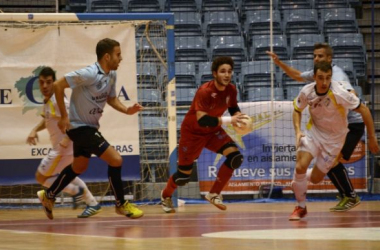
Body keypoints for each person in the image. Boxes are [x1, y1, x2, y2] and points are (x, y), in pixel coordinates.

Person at [36, 38, 144, 220]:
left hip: (89, 127)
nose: (121, 58)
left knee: (79, 166)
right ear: (107, 56)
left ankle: (49, 195)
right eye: (118, 55)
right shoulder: (89, 73)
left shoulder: (111, 75)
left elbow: (111, 99)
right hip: (79, 128)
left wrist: (127, 110)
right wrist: (64, 117)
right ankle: (121, 205)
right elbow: (58, 85)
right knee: (116, 160)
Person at [267, 43, 379, 212]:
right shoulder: (317, 74)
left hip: (350, 123)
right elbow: (297, 76)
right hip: (322, 128)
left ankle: (349, 195)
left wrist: (371, 136)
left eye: (320, 56)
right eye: (314, 56)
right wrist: (280, 63)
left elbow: (353, 98)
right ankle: (342, 194)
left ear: (329, 58)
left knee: (334, 161)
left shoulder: (336, 78)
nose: (316, 59)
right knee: (320, 165)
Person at [289, 61, 379, 220]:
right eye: (321, 78)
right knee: (300, 165)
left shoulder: (340, 93)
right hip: (314, 133)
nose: (324, 82)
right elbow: (297, 110)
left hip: (334, 141)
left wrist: (372, 138)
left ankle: (299, 180)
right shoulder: (307, 91)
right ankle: (301, 207)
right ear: (314, 77)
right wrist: (297, 131)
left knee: (316, 179)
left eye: (328, 78)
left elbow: (364, 109)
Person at [161, 56, 247, 213]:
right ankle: (165, 196)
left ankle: (214, 193)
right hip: (193, 133)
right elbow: (203, 120)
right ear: (214, 73)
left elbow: (233, 107)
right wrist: (229, 120)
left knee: (235, 157)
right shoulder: (205, 91)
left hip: (213, 131)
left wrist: (240, 118)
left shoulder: (231, 89)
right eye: (222, 72)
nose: (227, 75)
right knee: (183, 176)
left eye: (229, 71)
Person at [27, 67, 101, 218]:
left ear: (54, 83)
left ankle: (72, 192)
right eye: (42, 83)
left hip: (63, 149)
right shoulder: (49, 100)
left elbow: (75, 119)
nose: (45, 86)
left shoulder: (56, 101)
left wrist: (66, 141)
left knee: (41, 177)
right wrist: (34, 130)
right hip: (65, 148)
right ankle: (92, 203)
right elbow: (47, 119)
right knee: (70, 175)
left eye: (48, 82)